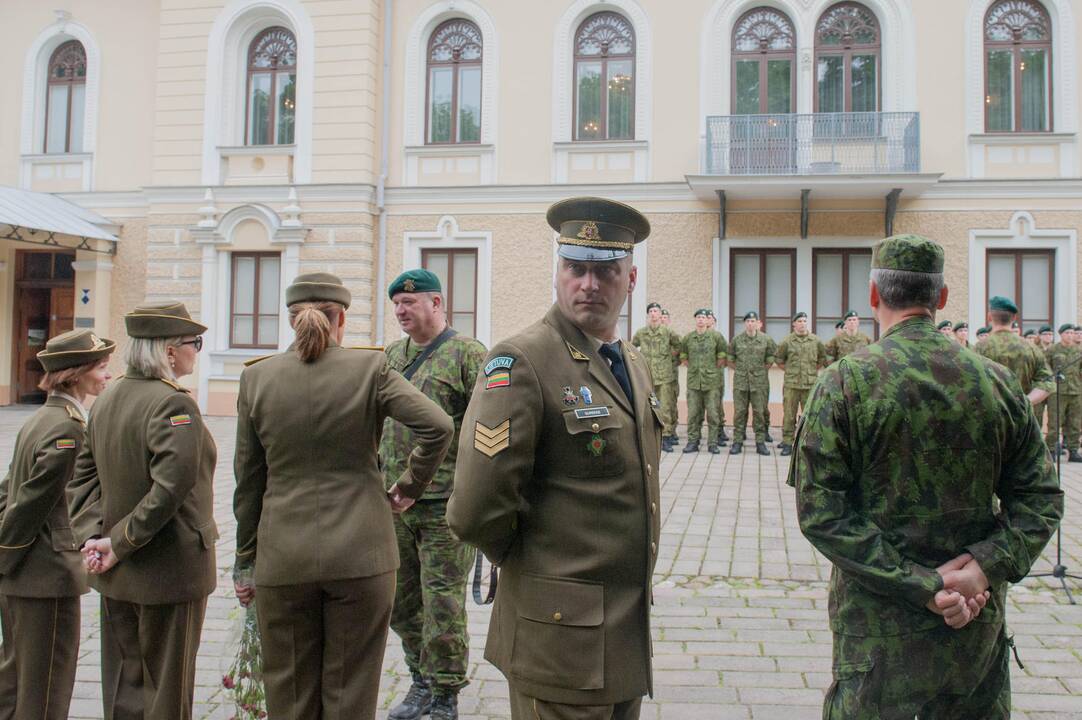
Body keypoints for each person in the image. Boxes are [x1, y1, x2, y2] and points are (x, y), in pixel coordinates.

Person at [789, 234, 1063, 718]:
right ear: (940, 299)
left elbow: (822, 514)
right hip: (972, 628)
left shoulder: (844, 383)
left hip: (879, 634)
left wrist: (921, 584)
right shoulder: (996, 383)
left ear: (874, 296)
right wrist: (979, 569)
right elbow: (1040, 501)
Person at [448, 196, 662, 720]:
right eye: (576, 268)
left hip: (622, 636)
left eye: (606, 270)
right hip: (559, 636)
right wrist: (534, 568)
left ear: (630, 280)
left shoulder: (631, 362)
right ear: (558, 273)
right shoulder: (521, 360)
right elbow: (474, 509)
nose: (589, 284)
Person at [232, 273, 453, 720]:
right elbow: (439, 426)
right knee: (350, 694)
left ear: (291, 320)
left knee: (289, 695)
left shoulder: (257, 378)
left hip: (284, 556)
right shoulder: (370, 368)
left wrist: (245, 560)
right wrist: (408, 487)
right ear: (342, 320)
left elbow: (248, 482)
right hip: (362, 555)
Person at [68, 301, 217, 720]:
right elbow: (169, 489)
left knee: (125, 689)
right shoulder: (174, 404)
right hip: (168, 569)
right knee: (167, 691)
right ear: (170, 350)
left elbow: (81, 480)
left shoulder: (108, 397)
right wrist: (117, 543)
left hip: (118, 570)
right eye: (195, 343)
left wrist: (93, 538)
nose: (196, 352)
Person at [382, 269, 487, 720]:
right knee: (401, 601)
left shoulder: (468, 354)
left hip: (445, 503)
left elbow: (488, 428)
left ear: (437, 303)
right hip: (392, 502)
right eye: (397, 306)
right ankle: (419, 681)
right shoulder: (391, 354)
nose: (402, 312)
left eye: (410, 303)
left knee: (442, 601)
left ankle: (445, 694)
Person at [0, 330, 113, 720]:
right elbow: (30, 501)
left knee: (15, 683)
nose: (106, 376)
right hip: (44, 575)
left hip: (25, 575)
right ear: (75, 374)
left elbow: (7, 489)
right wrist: (5, 556)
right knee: (45, 690)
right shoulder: (68, 428)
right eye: (100, 367)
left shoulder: (41, 419)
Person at [975, 296, 1053, 407]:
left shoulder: (979, 348)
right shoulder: (1031, 348)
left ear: (989, 317)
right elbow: (1048, 382)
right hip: (1021, 416)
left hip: (990, 413)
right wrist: (1027, 401)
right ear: (1014, 318)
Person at [774, 312, 827, 456]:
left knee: (809, 415)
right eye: (800, 321)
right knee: (789, 415)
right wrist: (790, 371)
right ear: (794, 324)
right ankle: (787, 442)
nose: (803, 323)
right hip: (791, 385)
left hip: (809, 385)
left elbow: (822, 358)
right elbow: (779, 359)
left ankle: (807, 443)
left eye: (804, 321)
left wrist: (811, 371)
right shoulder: (787, 341)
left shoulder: (815, 341)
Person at [632, 302, 681, 451]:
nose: (653, 313)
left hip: (665, 377)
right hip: (647, 377)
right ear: (648, 315)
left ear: (660, 315)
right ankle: (649, 436)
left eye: (656, 311)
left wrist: (672, 358)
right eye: (651, 311)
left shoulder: (668, 332)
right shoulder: (641, 333)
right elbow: (631, 348)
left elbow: (679, 346)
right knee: (647, 407)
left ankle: (666, 437)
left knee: (665, 408)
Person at [728, 311, 775, 456]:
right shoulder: (737, 340)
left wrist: (758, 371)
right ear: (744, 323)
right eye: (747, 321)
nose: (750, 323)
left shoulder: (766, 340)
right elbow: (730, 359)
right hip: (741, 382)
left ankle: (760, 442)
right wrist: (742, 371)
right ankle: (737, 442)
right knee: (740, 413)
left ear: (757, 323)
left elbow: (770, 359)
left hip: (759, 383)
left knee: (759, 412)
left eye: (752, 321)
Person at [680, 308, 726, 454]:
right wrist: (694, 368)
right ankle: (693, 441)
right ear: (695, 320)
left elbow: (721, 357)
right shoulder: (688, 338)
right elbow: (683, 357)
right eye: (698, 317)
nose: (700, 320)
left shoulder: (716, 337)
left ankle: (712, 443)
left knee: (713, 414)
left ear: (708, 321)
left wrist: (710, 370)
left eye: (703, 317)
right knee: (693, 414)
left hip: (712, 383)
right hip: (694, 382)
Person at [1044, 323, 1082, 462]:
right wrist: (1052, 377)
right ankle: (1052, 450)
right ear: (1061, 334)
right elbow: (1045, 365)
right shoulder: (1053, 350)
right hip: (1058, 390)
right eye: (1067, 333)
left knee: (1075, 422)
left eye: (1072, 333)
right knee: (1054, 422)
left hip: (1076, 390)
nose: (1070, 335)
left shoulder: (1079, 350)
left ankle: (1073, 451)